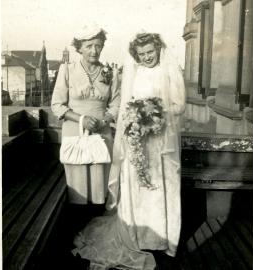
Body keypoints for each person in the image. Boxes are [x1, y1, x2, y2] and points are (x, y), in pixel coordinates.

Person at [72, 32, 186, 270]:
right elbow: (126, 104)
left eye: (150, 53)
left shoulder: (169, 70)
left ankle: (162, 239)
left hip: (161, 139)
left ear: (158, 49)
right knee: (136, 186)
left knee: (161, 184)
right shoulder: (135, 72)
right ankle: (137, 236)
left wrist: (155, 114)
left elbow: (179, 104)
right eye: (142, 54)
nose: (146, 58)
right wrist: (136, 121)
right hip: (137, 138)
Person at [51, 24, 121, 224]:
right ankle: (76, 234)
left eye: (98, 46)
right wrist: (81, 119)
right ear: (79, 48)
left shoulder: (110, 73)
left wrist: (104, 120)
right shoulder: (67, 70)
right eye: (89, 46)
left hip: (101, 133)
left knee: (100, 186)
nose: (94, 50)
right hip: (75, 132)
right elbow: (57, 105)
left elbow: (116, 103)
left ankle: (95, 234)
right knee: (78, 187)